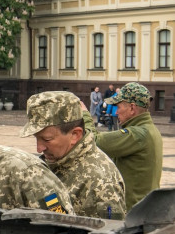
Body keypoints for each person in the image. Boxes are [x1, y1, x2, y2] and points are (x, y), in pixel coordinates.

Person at [20, 91, 126, 219]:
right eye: (36, 138)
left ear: (75, 135)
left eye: (47, 139)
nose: (39, 148)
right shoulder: (57, 160)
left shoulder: (101, 182)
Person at [85, 82, 163, 210]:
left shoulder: (137, 133)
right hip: (144, 209)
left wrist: (85, 116)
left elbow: (94, 141)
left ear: (132, 108)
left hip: (131, 212)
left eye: (118, 107)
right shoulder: (150, 129)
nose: (116, 113)